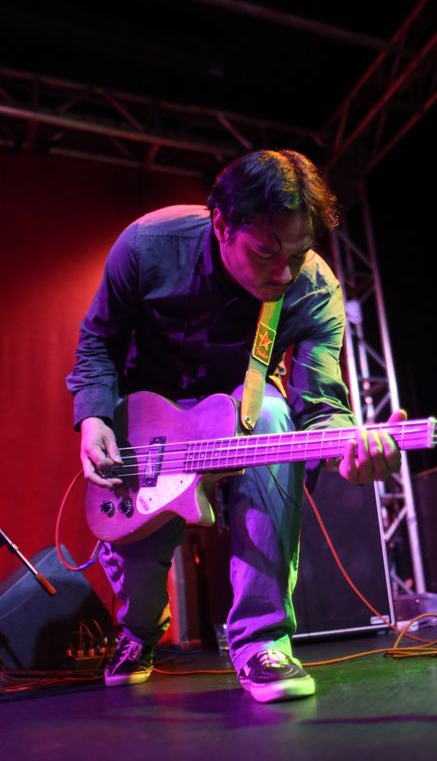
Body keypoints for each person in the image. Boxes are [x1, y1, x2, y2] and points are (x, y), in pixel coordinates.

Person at [67, 149, 405, 703]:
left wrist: (347, 450)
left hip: (243, 416)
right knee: (140, 580)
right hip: (147, 427)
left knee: (273, 414)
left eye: (298, 253)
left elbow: (320, 404)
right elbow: (98, 342)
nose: (284, 273)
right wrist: (95, 418)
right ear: (222, 225)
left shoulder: (314, 288)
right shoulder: (148, 245)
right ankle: (139, 631)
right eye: (266, 253)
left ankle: (263, 641)